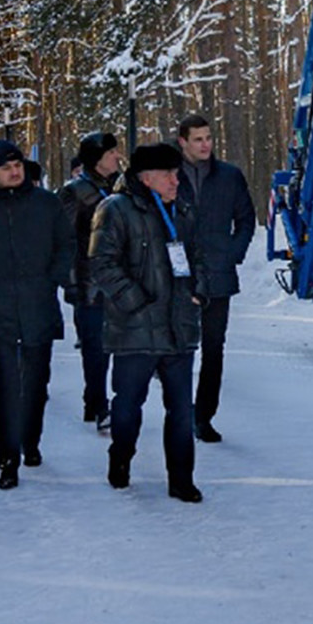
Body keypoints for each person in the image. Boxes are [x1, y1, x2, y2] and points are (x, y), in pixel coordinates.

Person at [89, 141, 203, 503]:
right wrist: (134, 300)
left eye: (177, 174)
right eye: (168, 175)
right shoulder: (115, 209)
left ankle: (181, 479)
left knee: (182, 411)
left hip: (178, 326)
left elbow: (198, 257)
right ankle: (120, 458)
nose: (176, 181)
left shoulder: (182, 209)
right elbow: (101, 263)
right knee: (127, 406)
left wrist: (199, 288)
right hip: (135, 327)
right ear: (146, 177)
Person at [0, 138, 73, 489]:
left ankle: (30, 439)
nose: (14, 171)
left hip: (38, 303)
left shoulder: (46, 204)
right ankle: (7, 458)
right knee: (6, 384)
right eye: (6, 167)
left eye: (18, 165)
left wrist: (52, 278)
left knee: (36, 380)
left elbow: (66, 244)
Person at [173, 113, 255, 443]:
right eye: (198, 139)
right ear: (183, 142)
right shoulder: (169, 176)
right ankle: (178, 411)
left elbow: (246, 220)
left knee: (213, 349)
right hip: (179, 278)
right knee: (178, 349)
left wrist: (231, 254)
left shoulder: (229, 177)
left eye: (208, 138)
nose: (205, 144)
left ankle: (203, 416)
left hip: (219, 276)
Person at [61, 131, 121, 430]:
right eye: (111, 154)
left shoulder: (122, 186)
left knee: (116, 344)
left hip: (119, 280)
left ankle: (96, 399)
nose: (117, 157)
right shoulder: (74, 192)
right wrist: (72, 284)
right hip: (89, 281)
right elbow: (66, 241)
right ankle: (98, 403)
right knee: (95, 346)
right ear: (97, 159)